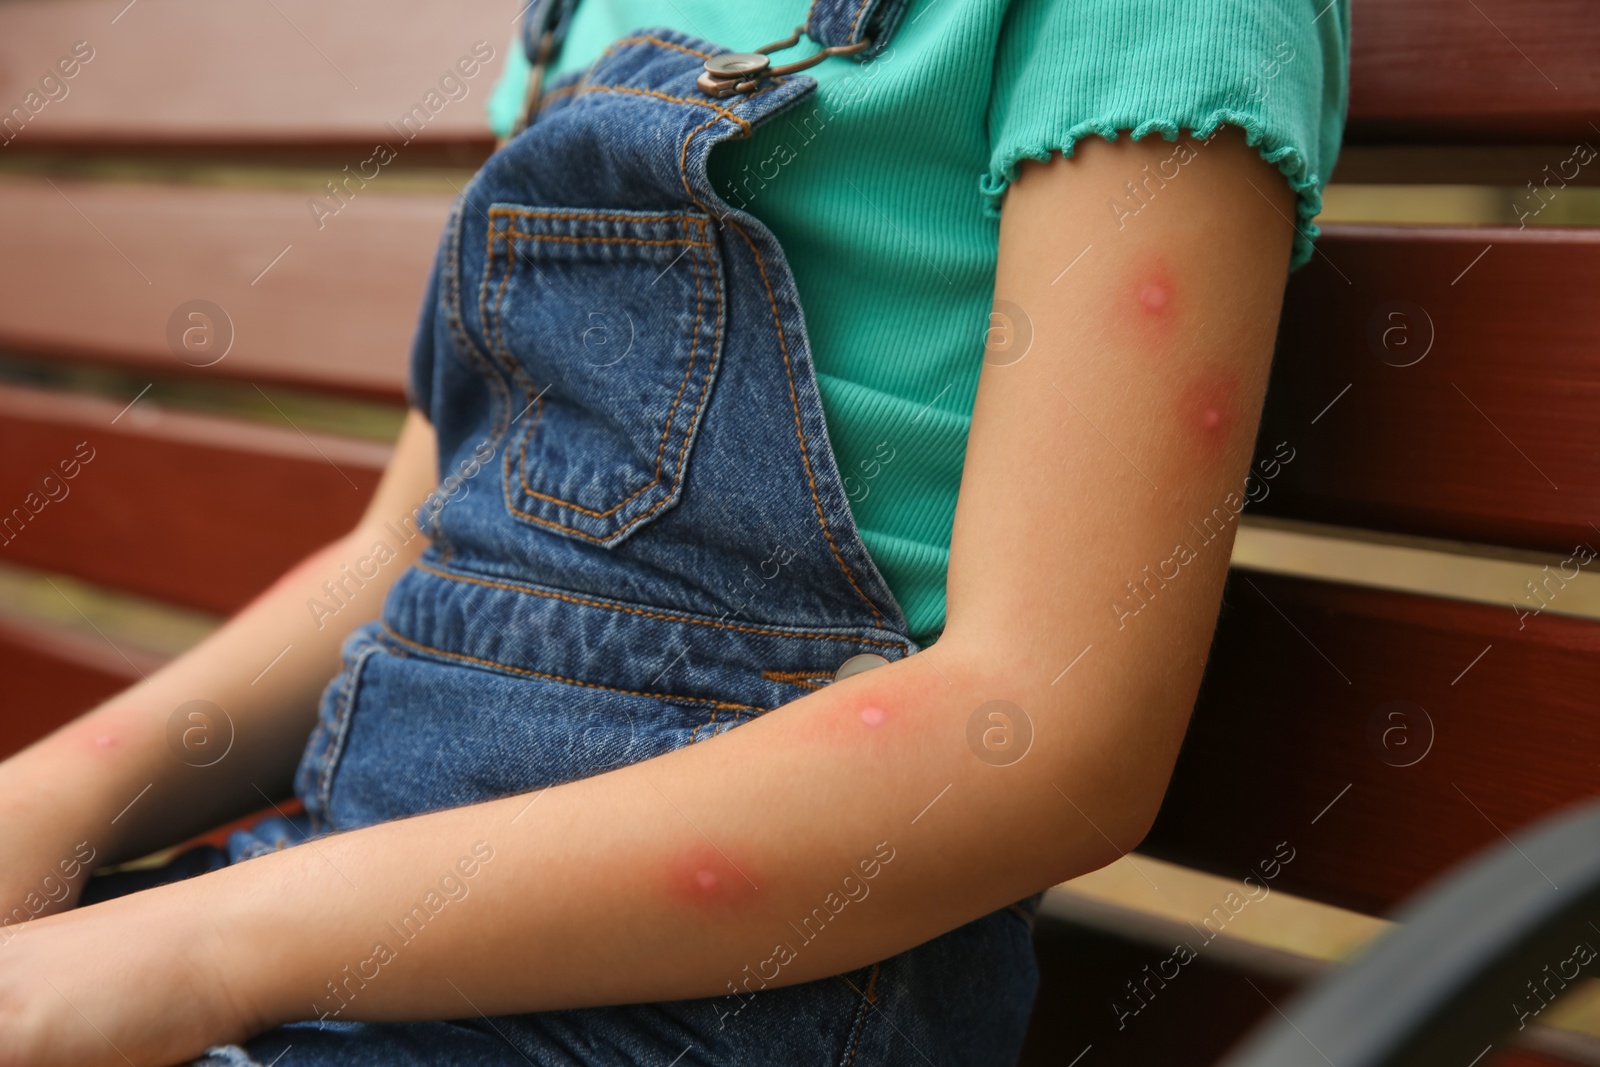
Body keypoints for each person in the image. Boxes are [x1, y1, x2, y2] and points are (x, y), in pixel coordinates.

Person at [0, 0, 1348, 1063]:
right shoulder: (575, 15)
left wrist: (199, 952)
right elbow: (403, 547)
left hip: (715, 1009)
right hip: (332, 918)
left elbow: (1041, 737)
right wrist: (48, 807)